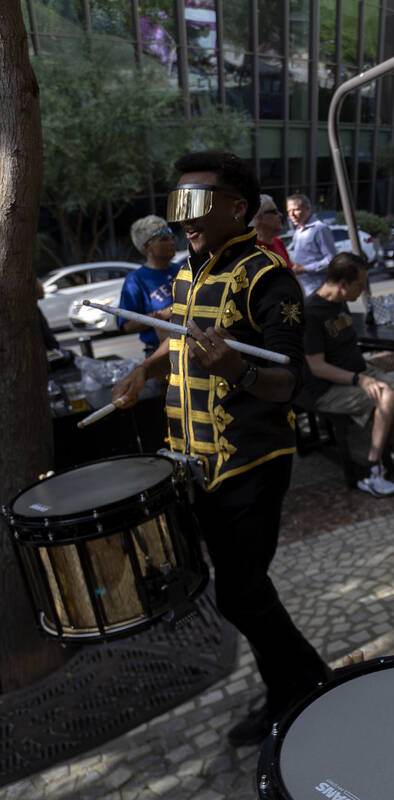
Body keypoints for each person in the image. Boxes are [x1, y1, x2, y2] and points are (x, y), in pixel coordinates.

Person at [111, 150, 329, 747]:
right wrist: (144, 374)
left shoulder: (267, 278)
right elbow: (176, 340)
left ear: (236, 208)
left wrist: (238, 370)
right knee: (242, 592)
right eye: (176, 204)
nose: (182, 218)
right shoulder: (190, 271)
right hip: (194, 463)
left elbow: (290, 380)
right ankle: (293, 688)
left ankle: (304, 686)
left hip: (250, 464)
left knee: (241, 592)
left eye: (196, 204)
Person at [302, 251, 394, 497]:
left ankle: (387, 450)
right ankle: (371, 469)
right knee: (387, 396)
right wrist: (360, 380)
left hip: (359, 371)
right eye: (361, 284)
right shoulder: (311, 313)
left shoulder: (341, 302)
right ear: (343, 284)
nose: (364, 289)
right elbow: (317, 366)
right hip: (327, 388)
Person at [118, 215, 180, 357]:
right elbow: (127, 325)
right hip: (160, 353)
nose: (171, 242)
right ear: (147, 247)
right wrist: (160, 316)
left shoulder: (184, 270)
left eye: (171, 237)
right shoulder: (136, 280)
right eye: (164, 239)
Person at [287, 193, 337, 295]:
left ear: (307, 209)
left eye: (296, 210)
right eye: (289, 211)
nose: (291, 215)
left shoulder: (320, 229)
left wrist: (304, 269)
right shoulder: (298, 231)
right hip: (303, 288)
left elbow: (331, 260)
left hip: (319, 288)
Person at [253, 193, 293, 270]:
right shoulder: (252, 251)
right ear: (260, 218)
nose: (280, 215)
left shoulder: (278, 242)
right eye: (274, 212)